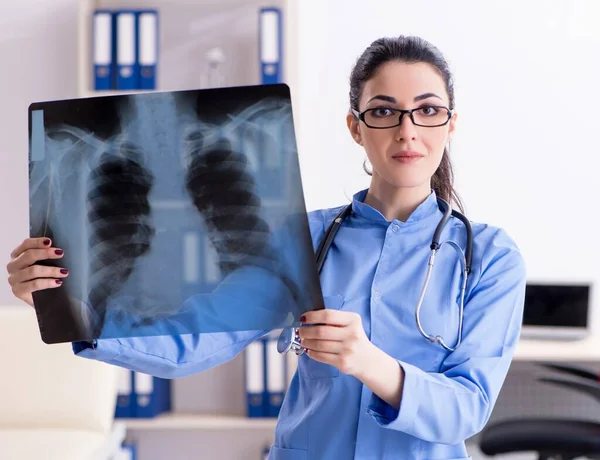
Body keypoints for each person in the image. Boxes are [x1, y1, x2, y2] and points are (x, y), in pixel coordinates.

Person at [6, 35, 526, 459]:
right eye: (384, 111)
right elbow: (197, 340)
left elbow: (467, 408)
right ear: (356, 127)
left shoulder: (490, 257)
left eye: (428, 110)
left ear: (450, 125)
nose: (407, 130)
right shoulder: (304, 238)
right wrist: (65, 305)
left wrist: (369, 362)